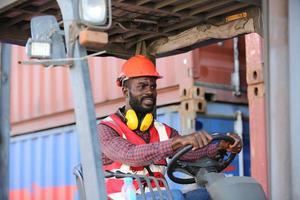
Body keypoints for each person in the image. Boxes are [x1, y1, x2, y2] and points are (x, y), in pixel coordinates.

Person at [97, 55, 242, 200]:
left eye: (152, 86)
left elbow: (190, 154)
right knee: (176, 196)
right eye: (142, 86)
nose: (149, 91)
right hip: (123, 198)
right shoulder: (106, 129)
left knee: (209, 195)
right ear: (125, 91)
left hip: (160, 197)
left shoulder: (163, 131)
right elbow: (130, 155)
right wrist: (177, 142)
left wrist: (220, 147)